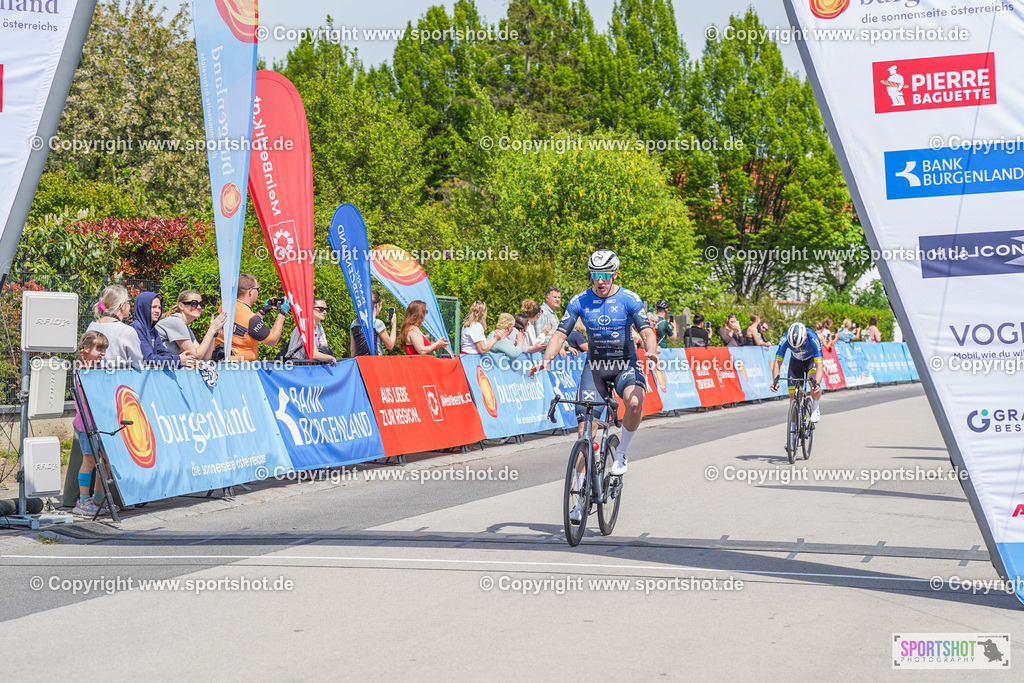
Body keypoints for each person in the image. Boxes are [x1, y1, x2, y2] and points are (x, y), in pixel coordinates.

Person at [530, 249, 659, 497]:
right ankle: (579, 495)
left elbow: (645, 331)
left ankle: (621, 452)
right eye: (594, 274)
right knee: (583, 434)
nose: (600, 280)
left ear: (615, 273)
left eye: (605, 274)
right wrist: (546, 359)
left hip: (625, 364)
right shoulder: (579, 301)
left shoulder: (630, 299)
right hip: (596, 368)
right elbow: (560, 334)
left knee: (634, 403)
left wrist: (651, 350)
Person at [72, 331, 108, 516]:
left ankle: (99, 499)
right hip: (87, 424)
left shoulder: (101, 369)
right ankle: (83, 502)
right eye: (99, 349)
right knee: (90, 460)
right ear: (85, 349)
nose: (102, 353)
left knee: (105, 461)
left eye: (104, 349)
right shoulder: (81, 372)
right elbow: (88, 399)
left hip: (102, 423)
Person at [215, 273, 287, 361]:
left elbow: (247, 328)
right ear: (251, 291)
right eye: (258, 288)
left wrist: (262, 311)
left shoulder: (224, 306)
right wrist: (282, 313)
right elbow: (273, 341)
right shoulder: (251, 319)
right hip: (239, 366)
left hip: (218, 359)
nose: (258, 291)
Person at [770, 322, 824, 424]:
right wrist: (775, 381)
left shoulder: (813, 337)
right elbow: (777, 363)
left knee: (814, 384)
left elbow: (819, 365)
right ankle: (793, 429)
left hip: (811, 362)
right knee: (793, 397)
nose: (796, 348)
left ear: (805, 338)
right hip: (795, 363)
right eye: (793, 346)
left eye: (799, 345)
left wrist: (817, 384)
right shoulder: (784, 339)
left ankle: (815, 407)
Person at [156, 290, 227, 360]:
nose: (199, 307)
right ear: (181, 306)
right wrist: (211, 330)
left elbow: (205, 357)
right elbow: (196, 356)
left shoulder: (184, 325)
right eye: (194, 303)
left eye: (201, 304)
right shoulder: (176, 321)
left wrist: (214, 332)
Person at [130, 292, 195, 367]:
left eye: (159, 307)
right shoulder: (136, 328)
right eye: (153, 307)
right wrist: (178, 360)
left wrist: (185, 362)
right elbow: (148, 359)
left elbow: (162, 353)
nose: (157, 311)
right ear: (143, 308)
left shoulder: (153, 330)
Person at [86, 285, 143, 368]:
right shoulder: (126, 330)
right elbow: (138, 363)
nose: (129, 306)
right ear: (122, 306)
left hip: (94, 377)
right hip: (120, 379)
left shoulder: (92, 326)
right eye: (128, 302)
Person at [282, 297, 334, 362]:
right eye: (321, 309)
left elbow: (324, 346)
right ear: (310, 309)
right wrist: (330, 358)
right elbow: (313, 354)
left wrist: (325, 353)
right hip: (296, 363)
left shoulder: (318, 325)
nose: (325, 312)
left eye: (326, 309)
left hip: (306, 364)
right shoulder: (305, 324)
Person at [350, 291, 397, 357]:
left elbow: (353, 350)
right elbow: (390, 345)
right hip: (375, 362)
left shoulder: (354, 323)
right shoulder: (377, 323)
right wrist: (394, 325)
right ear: (377, 305)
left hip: (359, 363)